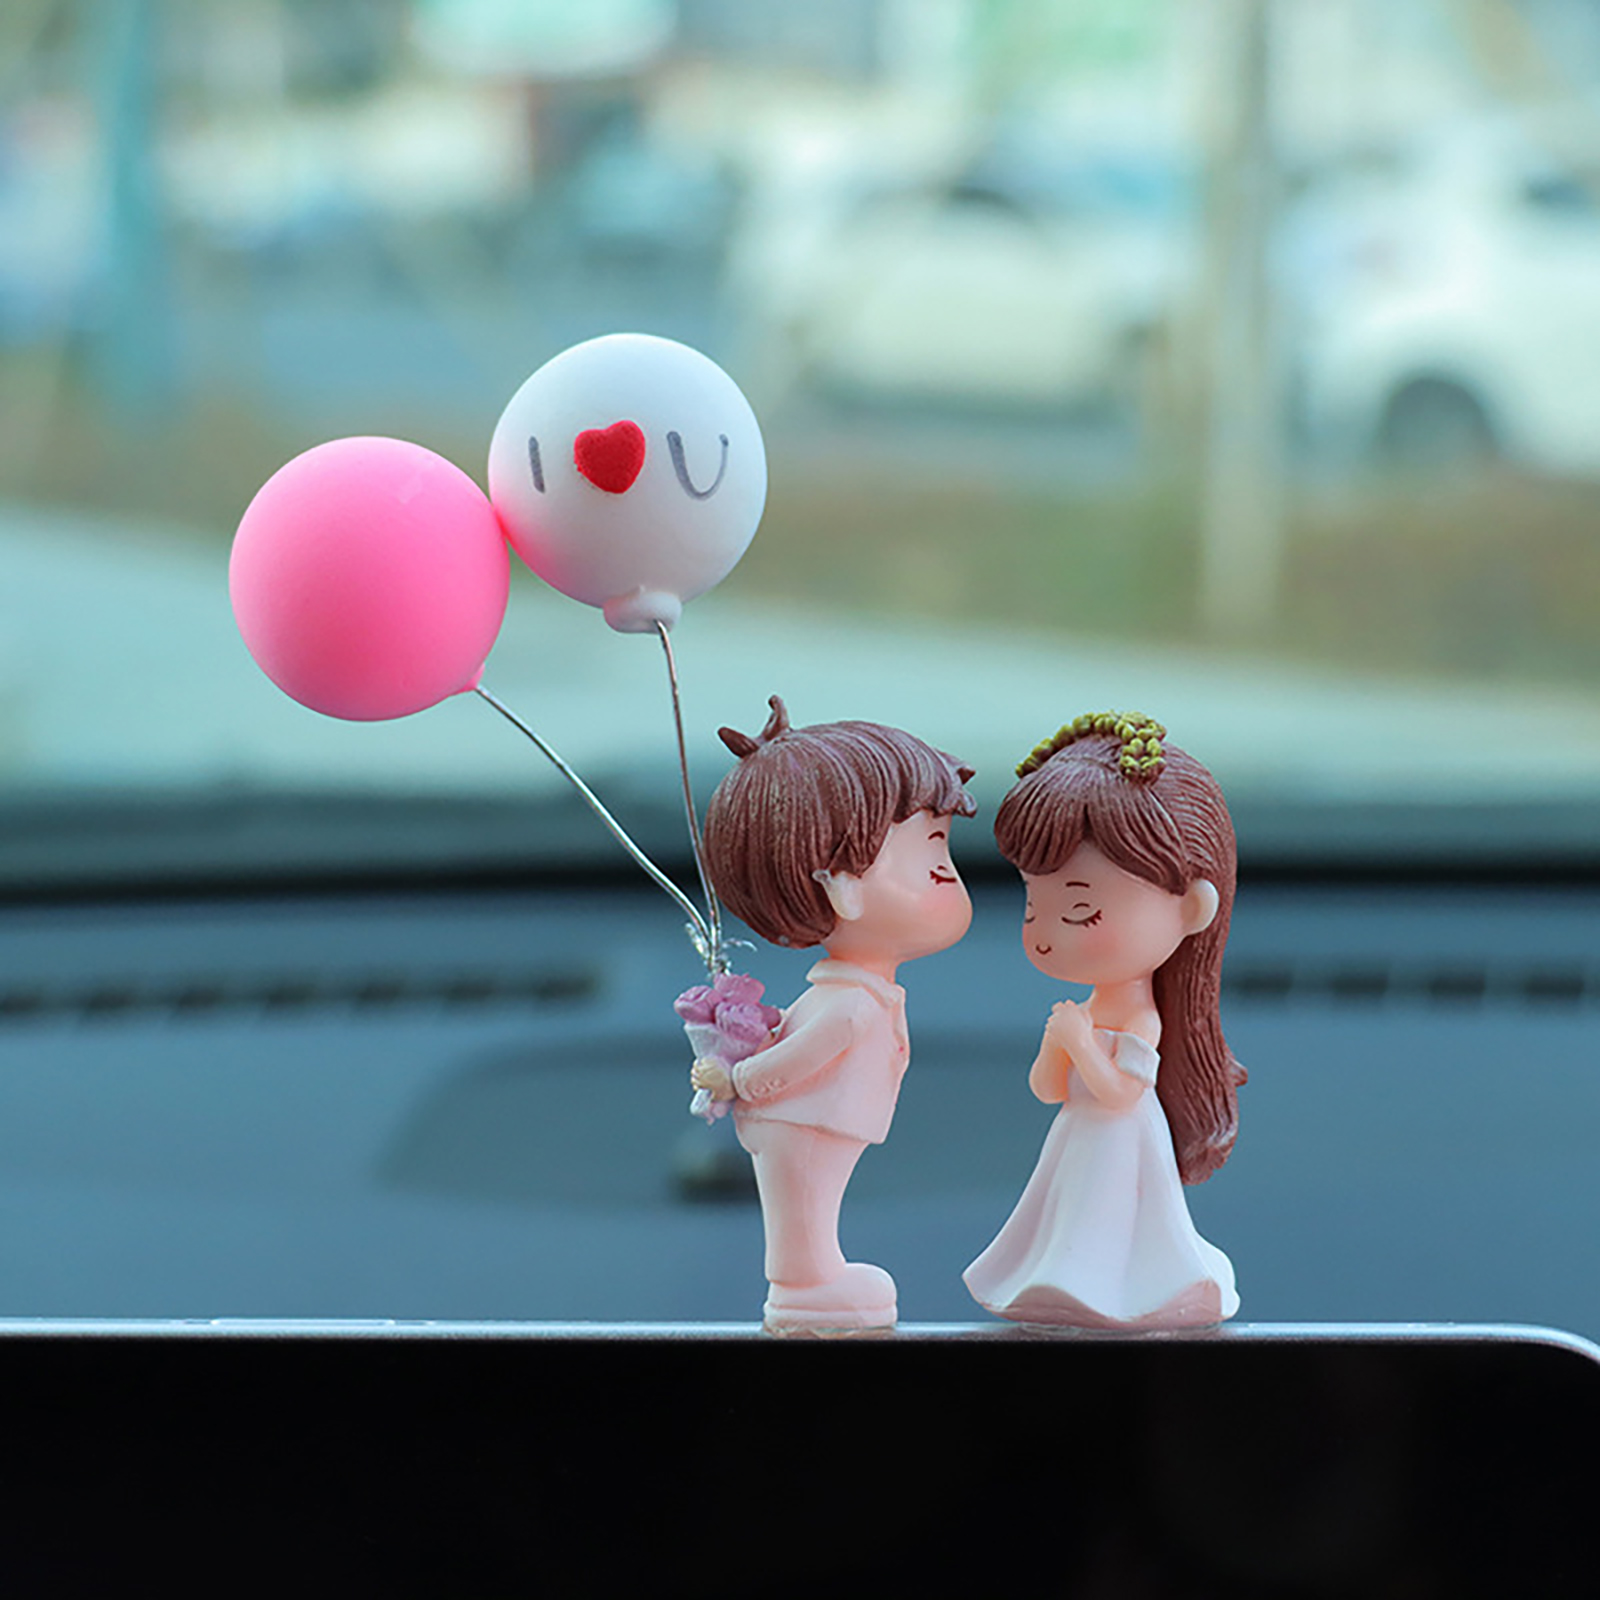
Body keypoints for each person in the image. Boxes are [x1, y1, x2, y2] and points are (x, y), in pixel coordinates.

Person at [691, 696, 975, 1334]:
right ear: (843, 887)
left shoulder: (856, 993)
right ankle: (802, 1286)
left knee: (812, 1199)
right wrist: (740, 1081)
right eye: (935, 864)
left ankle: (808, 1278)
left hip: (815, 1117)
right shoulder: (850, 1005)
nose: (953, 879)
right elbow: (799, 1057)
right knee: (805, 1204)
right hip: (802, 1118)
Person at [964, 712, 1245, 1329]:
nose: (1043, 934)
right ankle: (1059, 1282)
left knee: (1114, 1227)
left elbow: (1121, 1093)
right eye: (1032, 906)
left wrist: (1078, 1042)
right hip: (1078, 1137)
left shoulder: (1141, 1015)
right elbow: (1047, 1089)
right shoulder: (1088, 1010)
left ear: (1192, 908)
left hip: (1121, 1142)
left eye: (1080, 912)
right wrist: (1056, 1046)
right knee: (1067, 1220)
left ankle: (1108, 1290)